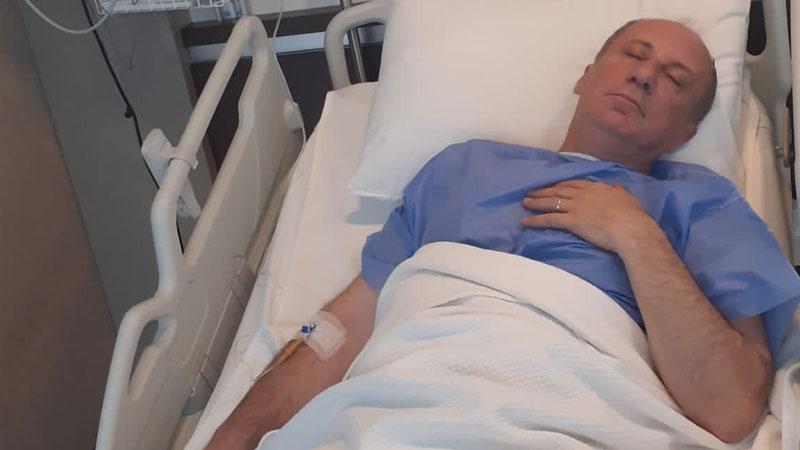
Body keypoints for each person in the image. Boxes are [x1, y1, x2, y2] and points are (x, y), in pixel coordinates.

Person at [205, 19, 800, 449]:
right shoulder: (462, 167)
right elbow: (340, 329)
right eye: (633, 55)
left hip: (578, 404)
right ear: (585, 77)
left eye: (674, 79)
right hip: (406, 398)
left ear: (686, 132)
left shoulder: (703, 205)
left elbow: (730, 408)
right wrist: (232, 437)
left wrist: (635, 235)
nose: (644, 75)